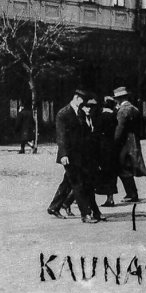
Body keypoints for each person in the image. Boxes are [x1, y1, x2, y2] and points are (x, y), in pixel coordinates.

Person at [46, 89, 100, 224]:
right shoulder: (63, 113)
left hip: (81, 155)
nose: (84, 103)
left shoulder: (81, 112)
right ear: (76, 98)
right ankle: (85, 214)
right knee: (78, 183)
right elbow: (61, 136)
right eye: (82, 100)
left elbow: (85, 133)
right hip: (69, 155)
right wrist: (63, 154)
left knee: (68, 182)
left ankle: (54, 207)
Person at [113, 86, 146, 203]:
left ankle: (131, 194)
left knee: (123, 167)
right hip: (134, 140)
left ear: (119, 99)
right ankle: (132, 193)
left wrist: (114, 142)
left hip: (125, 142)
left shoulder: (122, 111)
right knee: (128, 166)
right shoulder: (135, 109)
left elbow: (119, 129)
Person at [95, 96, 119, 207]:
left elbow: (97, 133)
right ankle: (110, 198)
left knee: (102, 172)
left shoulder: (101, 117)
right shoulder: (114, 116)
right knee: (112, 173)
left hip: (102, 147)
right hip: (113, 147)